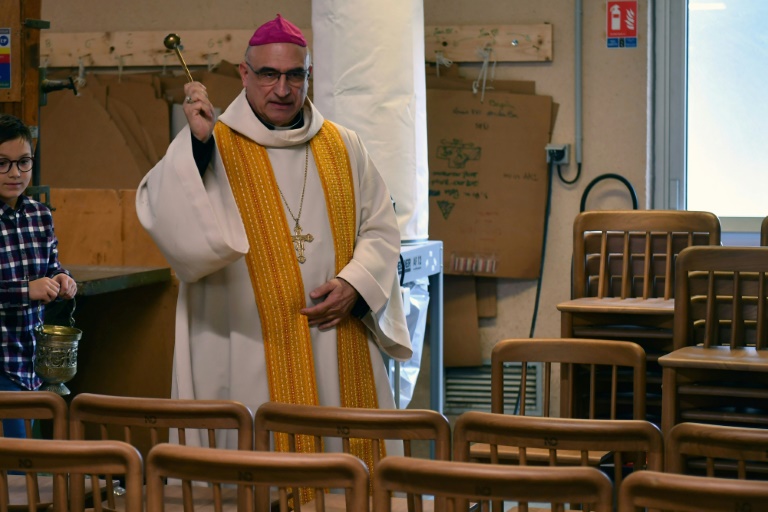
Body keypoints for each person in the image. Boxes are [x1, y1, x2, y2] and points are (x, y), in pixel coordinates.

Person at [136, 14, 411, 453]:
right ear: (244, 75)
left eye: (294, 75)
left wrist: (354, 285)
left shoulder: (344, 146)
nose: (283, 89)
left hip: (334, 339)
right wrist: (198, 146)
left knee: (348, 479)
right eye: (268, 74)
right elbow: (164, 214)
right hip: (243, 345)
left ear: (308, 76)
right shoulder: (212, 142)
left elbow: (380, 228)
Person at [0, 114, 77, 436]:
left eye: (23, 162)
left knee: (26, 459)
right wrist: (26, 291)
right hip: (1, 357)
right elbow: (28, 287)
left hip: (30, 357)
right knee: (15, 469)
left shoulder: (40, 215)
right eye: (2, 163)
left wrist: (62, 278)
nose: (15, 173)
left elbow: (50, 266)